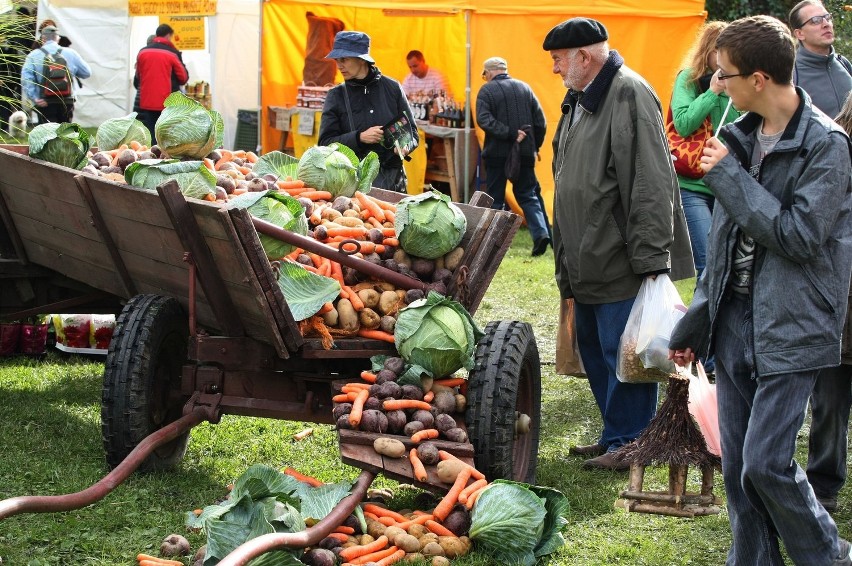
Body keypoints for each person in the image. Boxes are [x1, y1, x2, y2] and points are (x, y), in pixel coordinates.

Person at [668, 15, 852, 564]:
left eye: (724, 75)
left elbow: (798, 236)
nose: (717, 85)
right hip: (734, 320)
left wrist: (729, 179)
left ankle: (828, 555)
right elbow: (723, 250)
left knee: (766, 463)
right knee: (738, 470)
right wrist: (696, 325)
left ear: (759, 79)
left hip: (796, 321)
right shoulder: (739, 138)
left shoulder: (827, 145)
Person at [543, 17, 694, 470]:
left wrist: (651, 259)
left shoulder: (628, 92)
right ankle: (616, 435)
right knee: (595, 349)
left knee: (624, 351)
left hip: (618, 256)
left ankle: (631, 441)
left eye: (557, 60)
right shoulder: (580, 99)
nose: (554, 70)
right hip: (587, 254)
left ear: (584, 57)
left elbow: (650, 180)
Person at [788, 0, 852, 515]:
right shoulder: (792, 82)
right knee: (833, 378)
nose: (828, 23)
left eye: (830, 16)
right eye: (817, 19)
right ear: (796, 32)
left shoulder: (845, 70)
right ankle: (824, 478)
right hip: (829, 239)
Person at [670, 21, 741, 281]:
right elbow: (684, 123)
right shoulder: (688, 79)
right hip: (693, 185)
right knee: (709, 265)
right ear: (708, 51)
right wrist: (712, 92)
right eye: (720, 52)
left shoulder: (738, 82)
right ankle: (705, 321)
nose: (725, 59)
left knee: (728, 263)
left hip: (727, 183)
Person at [319, 31, 418, 192]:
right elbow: (325, 143)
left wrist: (406, 144)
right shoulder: (335, 95)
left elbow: (412, 132)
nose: (339, 65)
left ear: (361, 59)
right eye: (337, 60)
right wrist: (359, 138)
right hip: (352, 187)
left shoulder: (393, 88)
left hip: (394, 184)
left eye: (344, 59)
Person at [475, 56, 550, 256]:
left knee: (496, 199)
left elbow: (484, 119)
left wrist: (508, 133)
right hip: (524, 153)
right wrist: (535, 146)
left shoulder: (487, 90)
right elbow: (540, 122)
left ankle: (492, 245)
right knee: (528, 194)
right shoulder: (525, 88)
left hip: (497, 155)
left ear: (489, 73)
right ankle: (541, 234)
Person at [789, 0, 852, 119]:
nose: (826, 24)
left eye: (827, 17)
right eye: (816, 21)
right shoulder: (791, 74)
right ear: (799, 34)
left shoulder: (844, 64)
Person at [21, 24, 90, 124]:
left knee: (47, 135)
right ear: (58, 38)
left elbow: (26, 79)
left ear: (43, 39)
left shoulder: (33, 55)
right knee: (66, 133)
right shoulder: (71, 53)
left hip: (44, 101)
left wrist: (35, 98)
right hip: (67, 101)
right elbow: (87, 73)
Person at [134, 24, 188, 145]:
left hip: (147, 102)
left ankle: (150, 159)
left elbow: (138, 76)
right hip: (167, 102)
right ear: (168, 35)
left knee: (152, 136)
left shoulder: (142, 52)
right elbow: (183, 78)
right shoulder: (172, 53)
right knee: (167, 137)